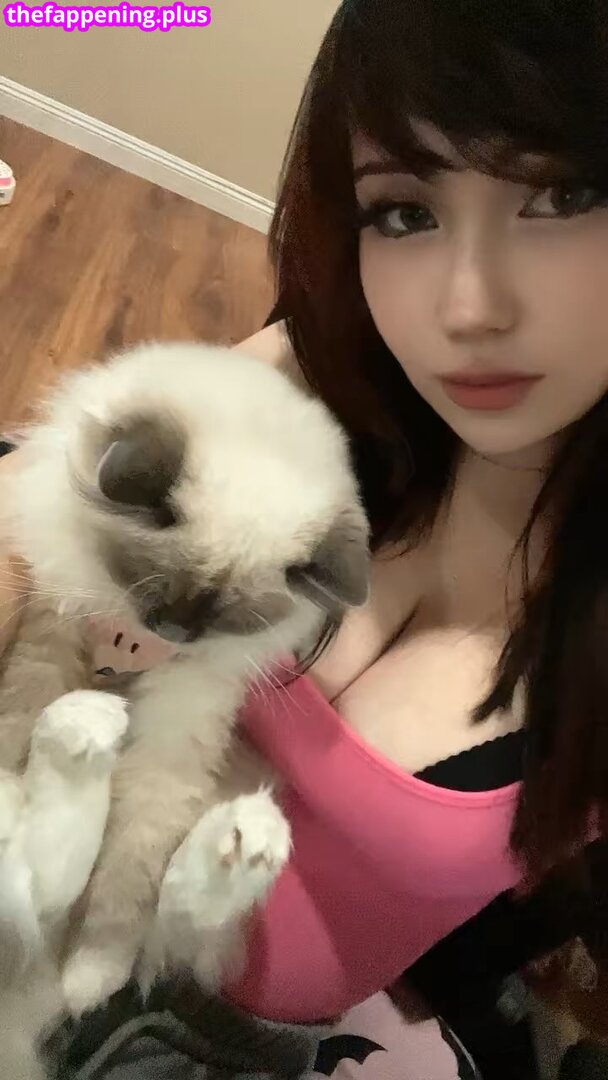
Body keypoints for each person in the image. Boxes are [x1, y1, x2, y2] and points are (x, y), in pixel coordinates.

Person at [1, 2, 607, 1076]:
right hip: (46, 872)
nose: (465, 308)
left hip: (222, 1040)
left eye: (563, 195)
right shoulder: (320, 374)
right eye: (405, 211)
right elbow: (39, 514)